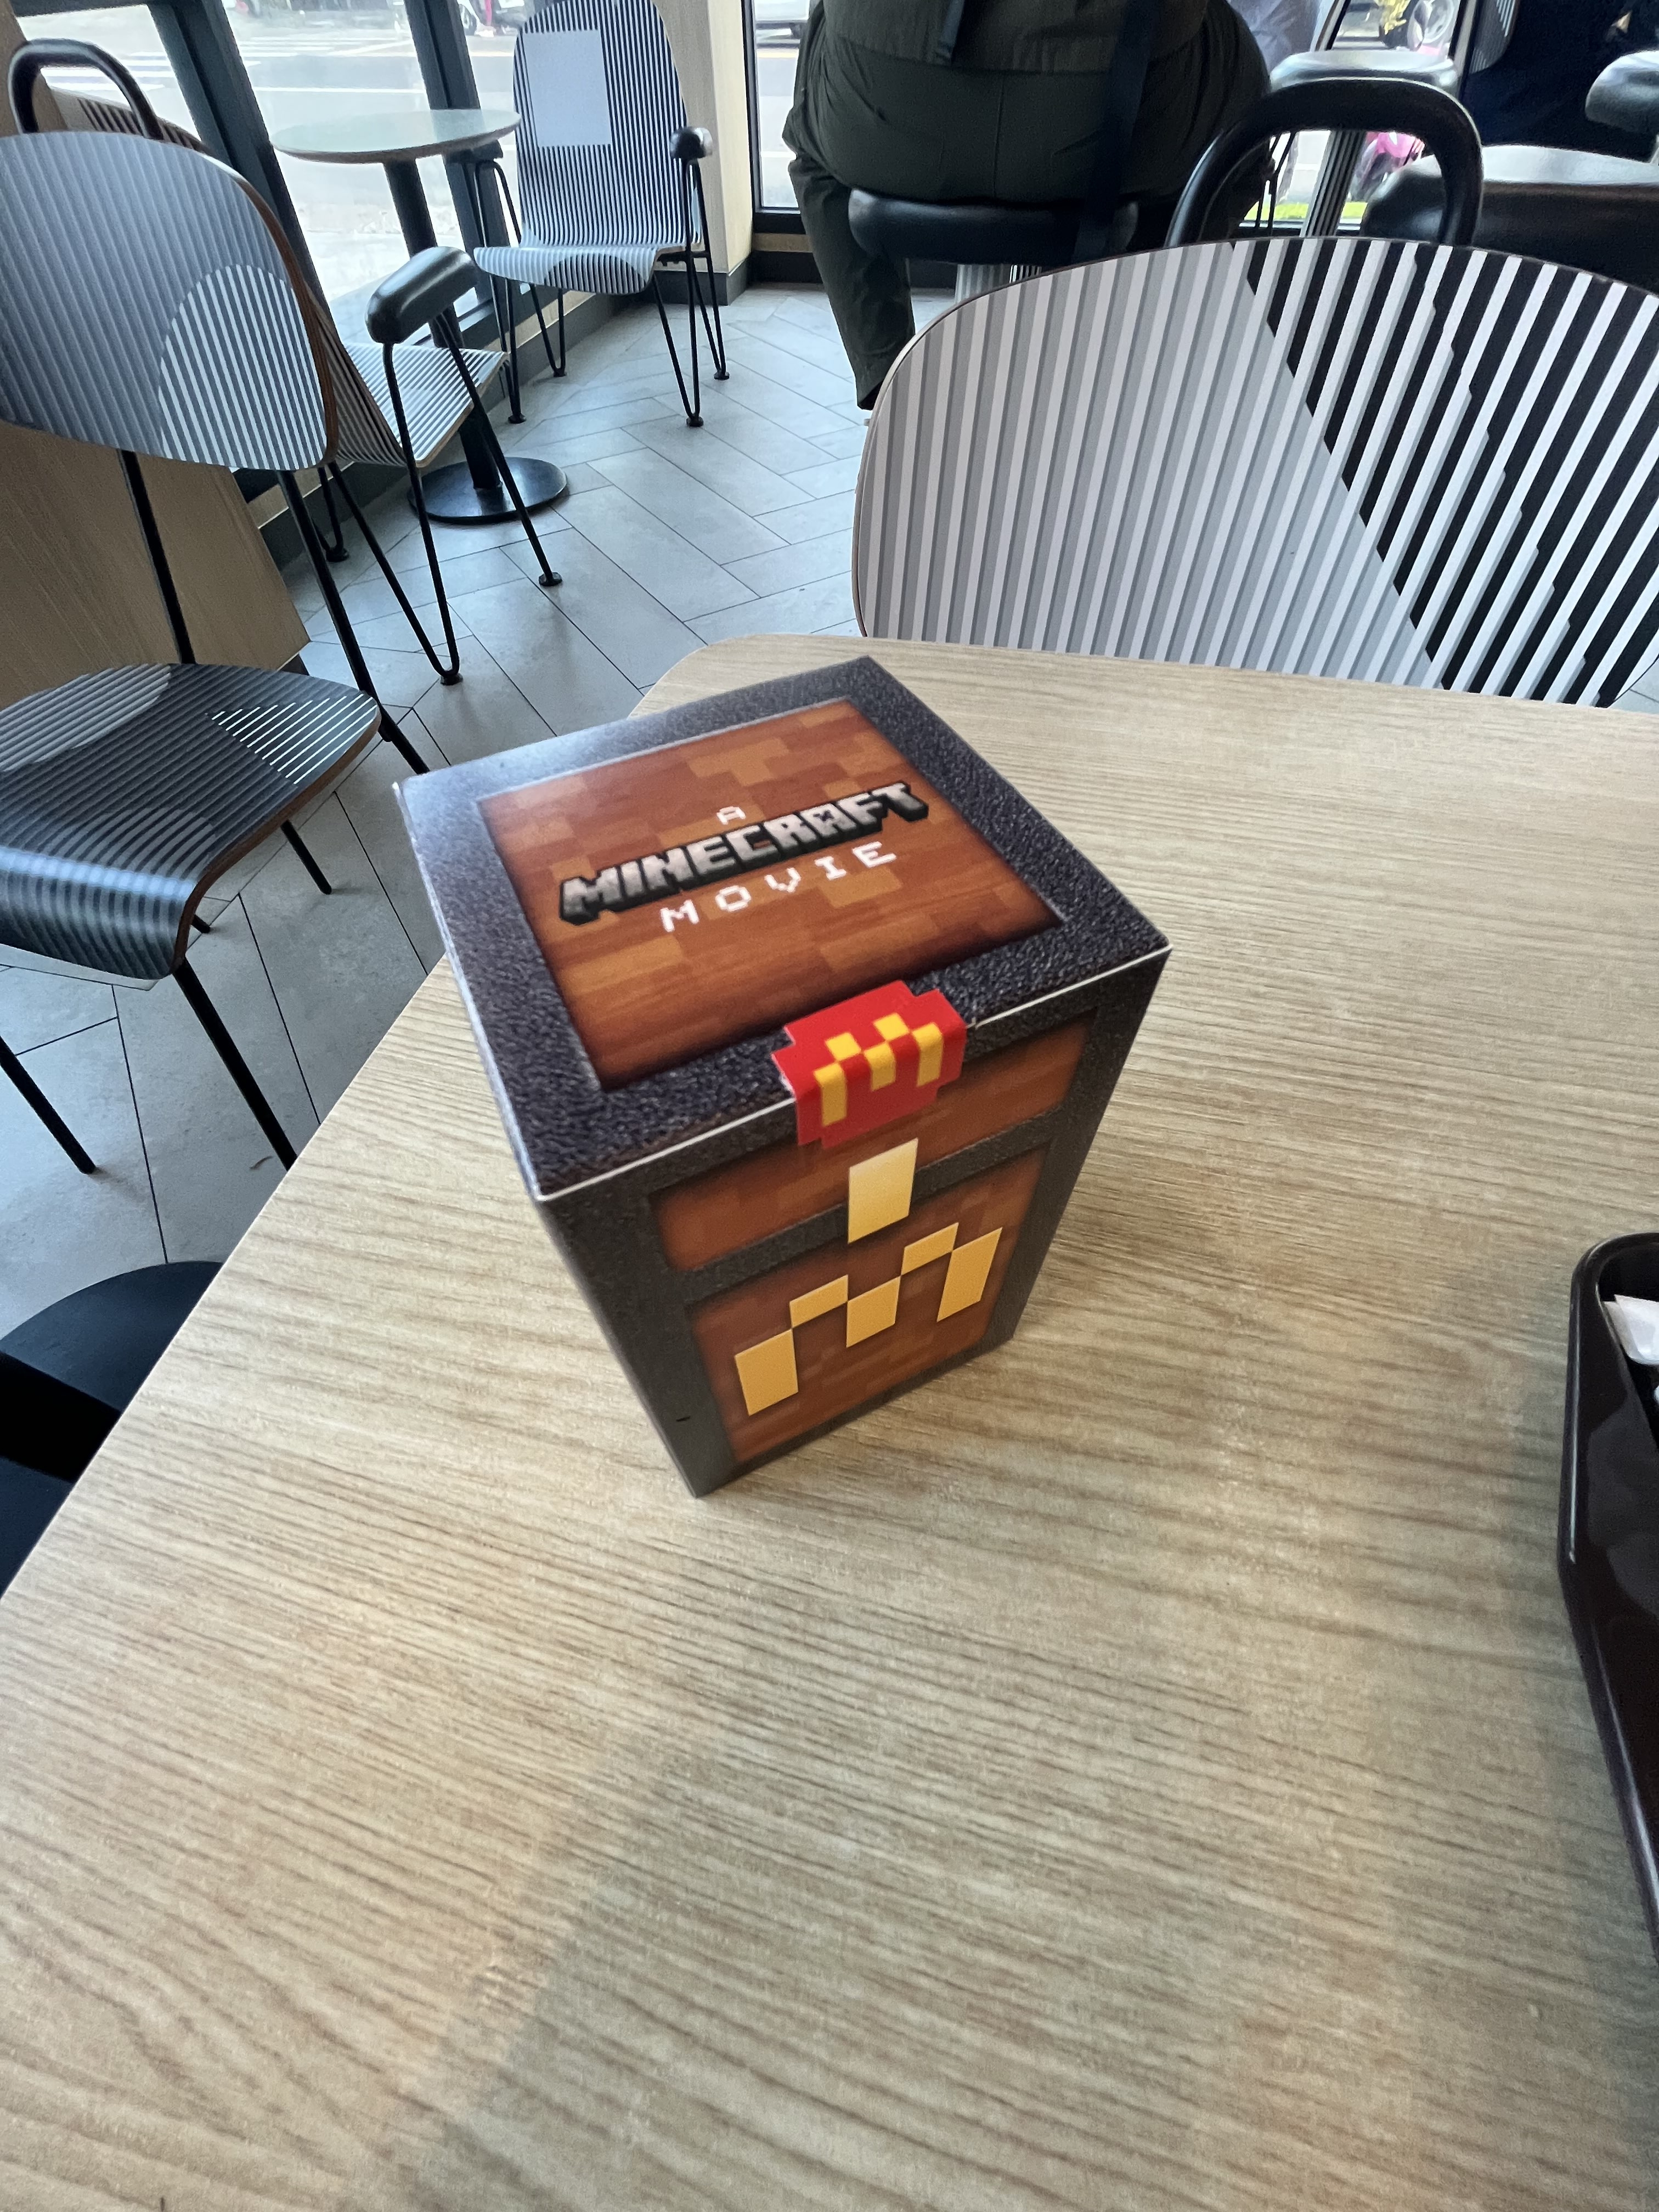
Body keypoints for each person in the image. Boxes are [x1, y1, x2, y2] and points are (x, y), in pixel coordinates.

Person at [785, 0, 1270, 408]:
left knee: (814, 156)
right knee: (1237, 160)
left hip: (884, 96)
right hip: (1117, 99)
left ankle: (890, 381)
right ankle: (1123, 367)